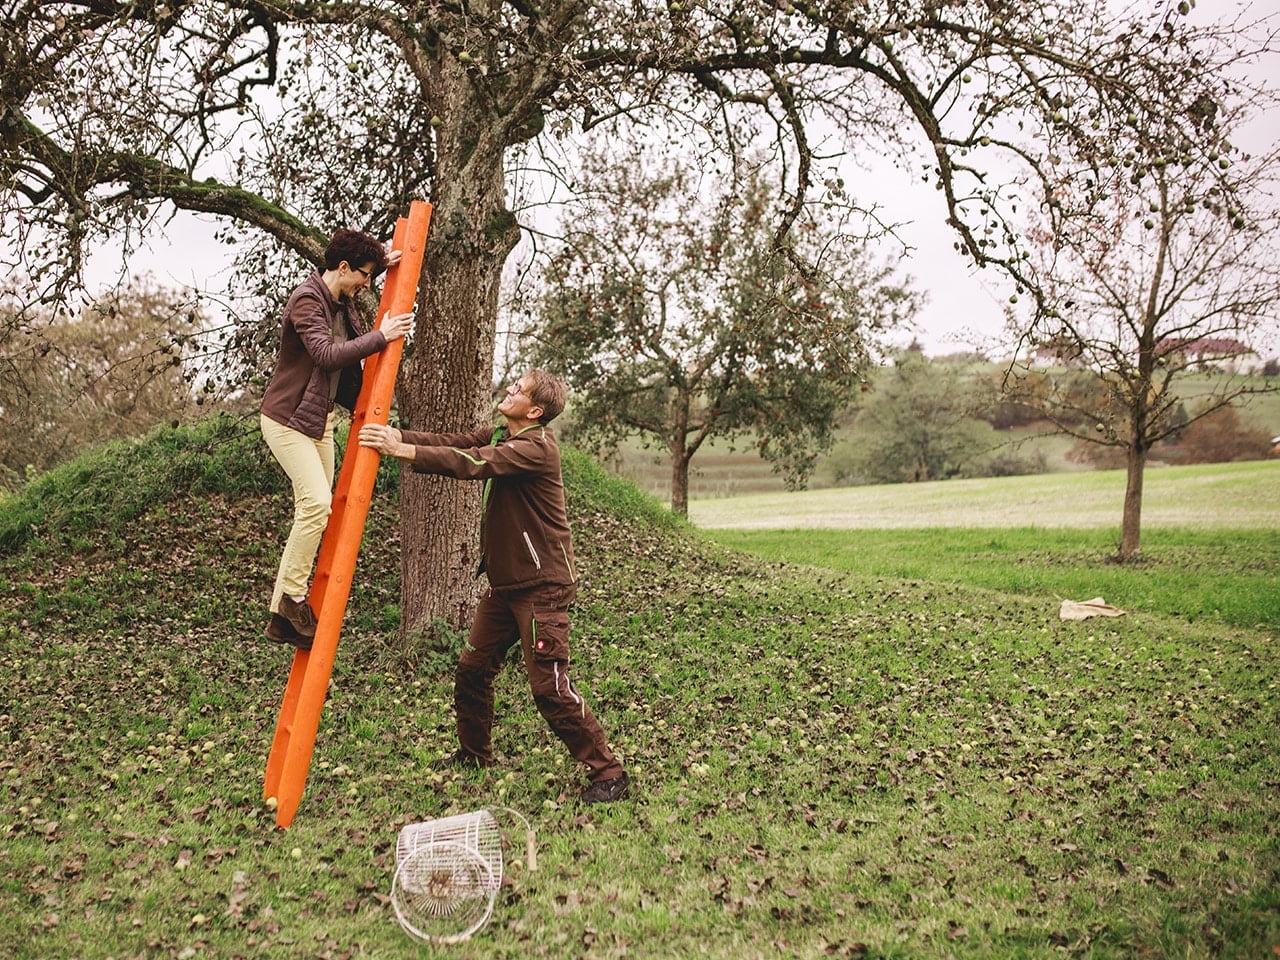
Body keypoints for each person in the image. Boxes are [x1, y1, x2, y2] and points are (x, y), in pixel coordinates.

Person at [357, 370, 630, 804]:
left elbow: (475, 464)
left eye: (518, 390)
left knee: (549, 687)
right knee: (473, 669)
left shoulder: (535, 448)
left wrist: (400, 451)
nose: (510, 391)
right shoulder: (505, 434)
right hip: (506, 585)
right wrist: (398, 435)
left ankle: (609, 773)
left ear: (535, 411)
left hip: (542, 586)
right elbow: (457, 442)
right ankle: (474, 754)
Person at [260, 228, 413, 651]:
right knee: (315, 504)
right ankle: (291, 600)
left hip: (319, 422)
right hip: (287, 421)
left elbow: (363, 276)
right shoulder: (307, 301)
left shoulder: (341, 302)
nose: (367, 284)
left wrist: (384, 263)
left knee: (318, 511)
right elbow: (326, 354)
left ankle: (281, 615)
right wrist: (383, 336)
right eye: (363, 275)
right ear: (341, 268)